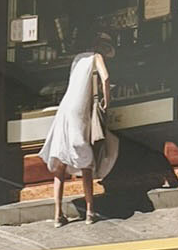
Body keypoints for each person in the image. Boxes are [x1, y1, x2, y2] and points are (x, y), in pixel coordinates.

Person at [40, 32, 119, 226]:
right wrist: (107, 101)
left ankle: (58, 215)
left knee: (60, 163)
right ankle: (90, 212)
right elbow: (106, 78)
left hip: (64, 109)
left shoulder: (77, 59)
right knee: (86, 163)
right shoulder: (96, 57)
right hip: (79, 111)